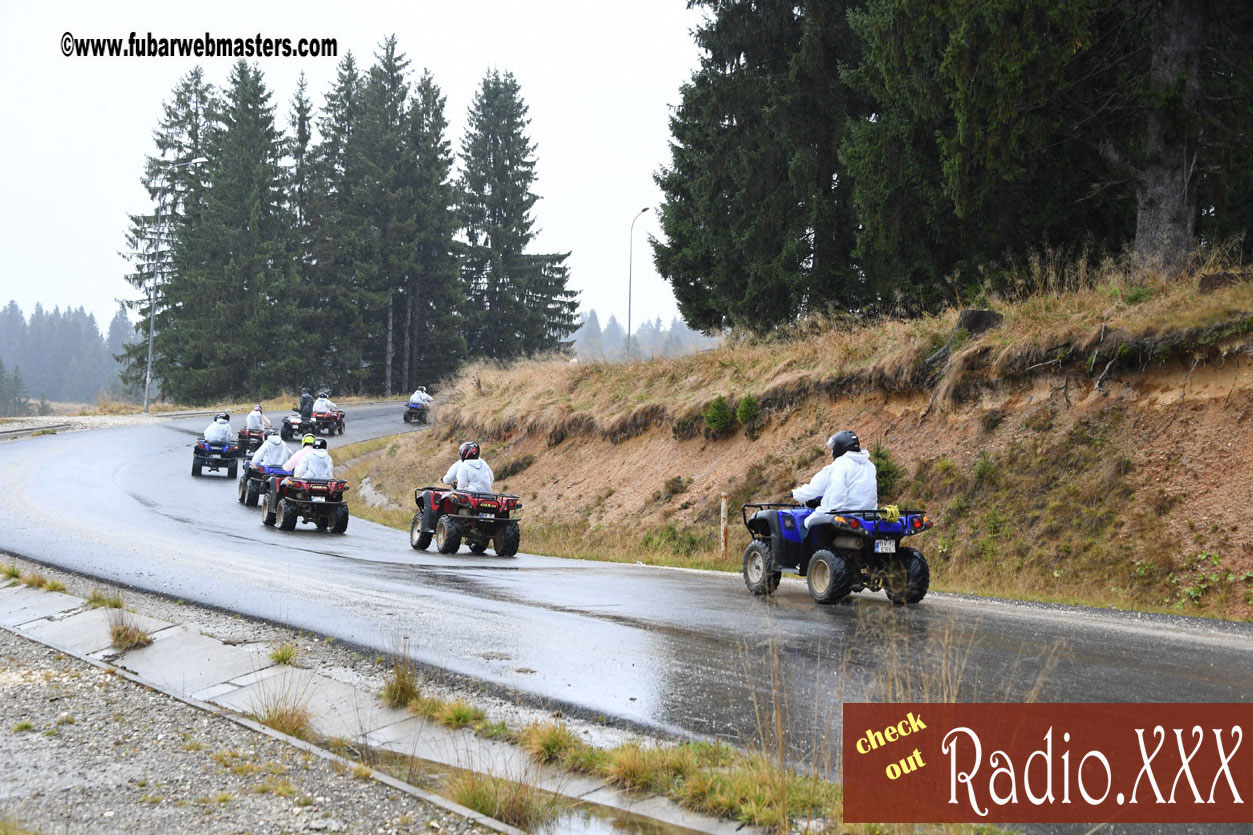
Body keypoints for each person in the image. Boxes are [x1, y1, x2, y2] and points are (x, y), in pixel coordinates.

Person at [792, 430, 877, 528]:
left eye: (834, 448)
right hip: (869, 515)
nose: (833, 451)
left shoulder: (840, 464)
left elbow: (837, 490)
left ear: (840, 448)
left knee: (805, 524)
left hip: (844, 513)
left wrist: (795, 494)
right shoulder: (870, 465)